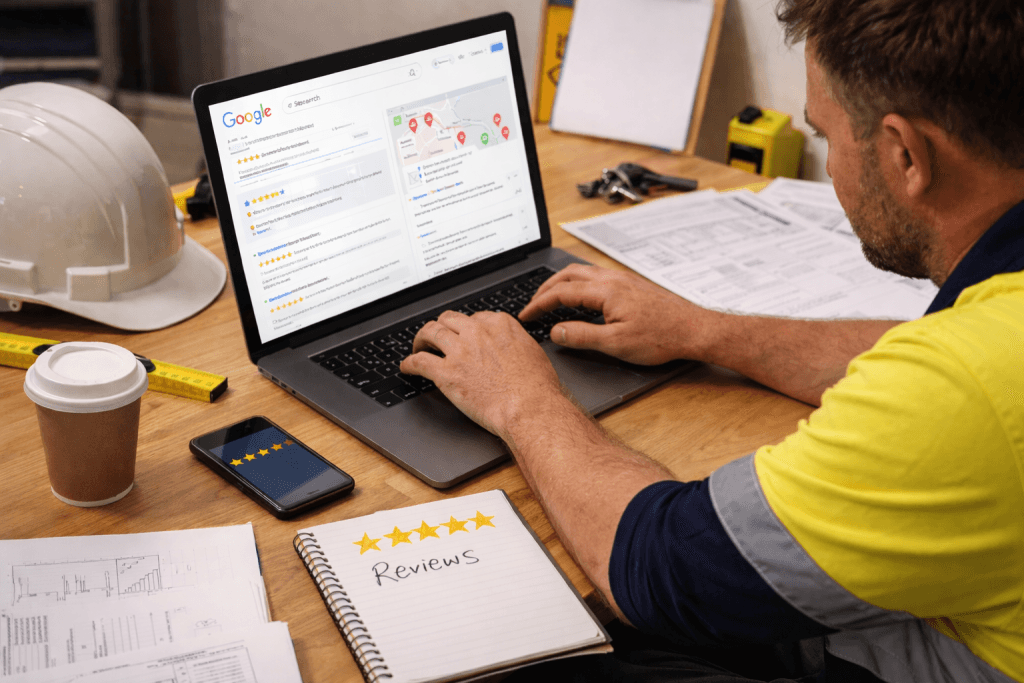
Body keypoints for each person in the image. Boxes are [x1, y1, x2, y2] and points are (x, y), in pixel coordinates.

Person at [398, 0, 1024, 680]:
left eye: (825, 137)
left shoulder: (964, 388)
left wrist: (521, 398)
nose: (832, 166)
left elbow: (658, 568)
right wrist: (704, 330)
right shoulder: (993, 334)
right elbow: (945, 351)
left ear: (906, 154)